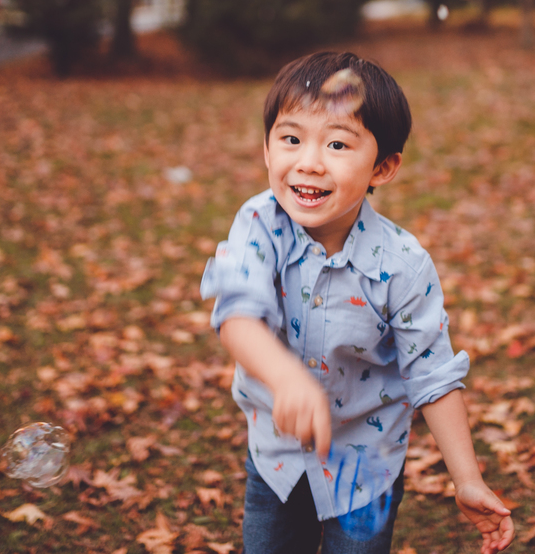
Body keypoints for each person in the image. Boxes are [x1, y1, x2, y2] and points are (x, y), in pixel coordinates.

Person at [201, 51, 515, 554]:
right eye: (291, 138)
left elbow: (432, 376)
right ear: (266, 150)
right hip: (276, 460)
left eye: (338, 144)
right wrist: (285, 379)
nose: (308, 161)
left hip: (367, 470)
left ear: (383, 167)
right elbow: (238, 315)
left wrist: (467, 477)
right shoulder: (259, 225)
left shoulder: (404, 265)